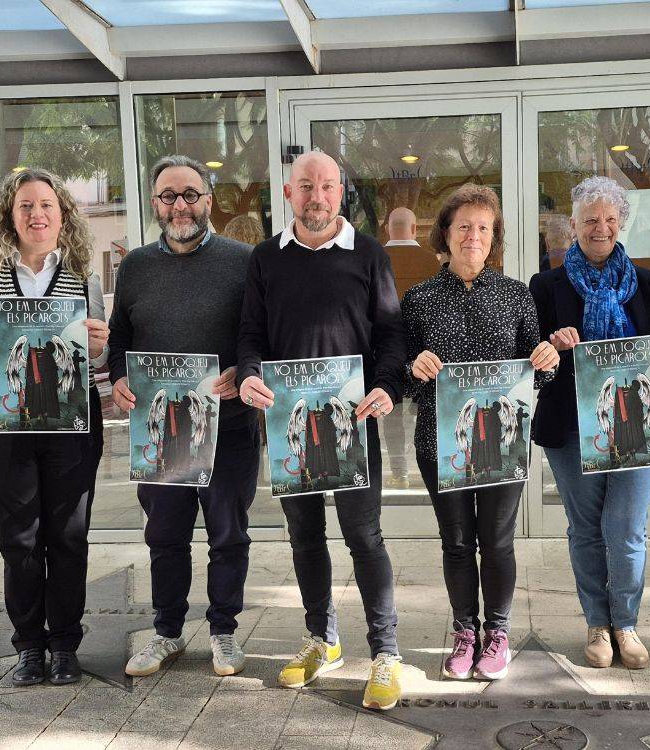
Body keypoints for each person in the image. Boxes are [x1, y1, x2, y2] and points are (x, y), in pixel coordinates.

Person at [237, 151, 407, 710]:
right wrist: (249, 377)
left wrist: (385, 384)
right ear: (288, 193)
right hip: (288, 425)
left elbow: (390, 334)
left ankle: (385, 653)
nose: (317, 196)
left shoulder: (368, 255)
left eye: (327, 186)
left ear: (341, 194)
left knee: (364, 537)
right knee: (305, 536)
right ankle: (322, 638)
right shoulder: (265, 259)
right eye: (306, 186)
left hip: (353, 422)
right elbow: (250, 336)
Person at [0, 168, 108, 687]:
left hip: (70, 420)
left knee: (69, 535)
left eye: (47, 206)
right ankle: (29, 646)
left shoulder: (84, 275)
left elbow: (96, 352)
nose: (37, 214)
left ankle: (65, 646)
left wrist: (100, 341)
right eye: (26, 206)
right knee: (19, 538)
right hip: (3, 419)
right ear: (10, 217)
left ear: (63, 216)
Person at [109, 155, 260, 680]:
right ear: (154, 204)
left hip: (230, 427)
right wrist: (121, 381)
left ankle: (224, 634)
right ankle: (167, 632)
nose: (180, 205)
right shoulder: (134, 268)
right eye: (169, 196)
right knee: (165, 536)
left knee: (227, 534)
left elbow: (258, 338)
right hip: (160, 431)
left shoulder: (245, 261)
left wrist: (244, 369)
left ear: (209, 201)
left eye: (190, 194)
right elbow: (120, 343)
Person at [402, 184, 558, 681]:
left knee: (497, 542)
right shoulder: (418, 300)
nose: (474, 236)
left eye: (484, 228)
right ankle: (464, 631)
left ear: (495, 238)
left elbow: (537, 370)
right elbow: (398, 374)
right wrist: (414, 366)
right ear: (444, 234)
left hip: (502, 444)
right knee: (455, 542)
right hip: (440, 443)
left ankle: (497, 632)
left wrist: (547, 359)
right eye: (464, 226)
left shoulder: (516, 296)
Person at [529, 176, 650, 671]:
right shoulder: (545, 285)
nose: (600, 228)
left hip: (634, 422)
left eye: (609, 219)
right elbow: (534, 359)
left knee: (628, 528)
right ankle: (597, 623)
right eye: (590, 220)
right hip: (572, 426)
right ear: (573, 225)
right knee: (586, 529)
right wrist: (552, 346)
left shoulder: (644, 281)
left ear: (622, 224)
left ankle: (627, 623)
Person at [383, 206, 432, 489]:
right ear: (414, 229)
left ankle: (399, 472)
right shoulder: (430, 262)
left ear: (388, 228)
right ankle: (425, 469)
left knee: (391, 412)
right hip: (422, 353)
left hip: (385, 349)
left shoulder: (376, 258)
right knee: (420, 411)